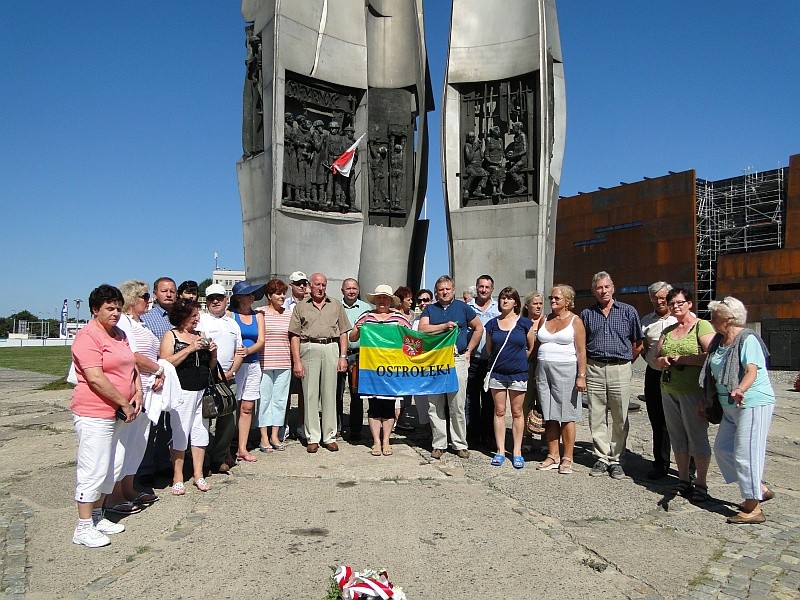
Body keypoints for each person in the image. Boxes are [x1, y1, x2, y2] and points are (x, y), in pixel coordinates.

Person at [70, 284, 141, 547]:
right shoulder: (88, 337)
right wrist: (123, 402)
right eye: (109, 309)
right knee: (94, 466)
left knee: (112, 465)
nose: (115, 313)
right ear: (95, 309)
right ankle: (83, 525)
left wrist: (138, 393)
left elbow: (131, 366)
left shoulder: (119, 334)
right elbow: (95, 378)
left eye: (118, 309)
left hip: (119, 413)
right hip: (95, 412)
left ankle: (99, 515)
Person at [701, 297, 775, 524]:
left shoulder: (747, 338)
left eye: (716, 315)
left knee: (746, 454)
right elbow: (711, 374)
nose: (711, 320)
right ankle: (758, 488)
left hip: (751, 403)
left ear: (730, 318)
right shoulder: (718, 341)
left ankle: (753, 508)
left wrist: (740, 388)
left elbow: (752, 370)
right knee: (723, 450)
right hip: (729, 406)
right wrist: (705, 400)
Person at [104, 280, 165, 514]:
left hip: (149, 388)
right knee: (124, 442)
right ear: (132, 299)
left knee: (139, 442)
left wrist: (159, 374)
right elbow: (133, 356)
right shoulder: (125, 323)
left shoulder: (143, 324)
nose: (148, 301)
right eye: (145, 297)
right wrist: (158, 369)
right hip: (133, 388)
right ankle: (113, 493)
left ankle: (129, 487)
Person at [653, 288, 715, 501]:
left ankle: (701, 483)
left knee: (697, 436)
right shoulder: (668, 330)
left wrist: (683, 360)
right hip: (669, 389)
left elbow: (712, 356)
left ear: (690, 303)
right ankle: (683, 479)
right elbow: (655, 358)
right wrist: (662, 361)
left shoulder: (701, 326)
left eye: (680, 302)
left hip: (693, 391)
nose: (675, 307)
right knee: (677, 436)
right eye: (672, 304)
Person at [581, 271, 643, 479]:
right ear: (593, 291)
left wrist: (625, 362)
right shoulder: (587, 314)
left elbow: (638, 343)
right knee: (596, 414)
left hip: (620, 368)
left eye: (606, 287)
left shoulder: (628, 311)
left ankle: (616, 459)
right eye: (599, 287)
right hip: (595, 367)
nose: (603, 291)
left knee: (619, 415)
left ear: (613, 288)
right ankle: (601, 457)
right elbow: (582, 345)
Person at [418, 275, 483, 459]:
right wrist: (443, 326)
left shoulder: (463, 308)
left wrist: (470, 350)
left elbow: (478, 327)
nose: (444, 292)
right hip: (435, 360)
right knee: (435, 403)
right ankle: (438, 443)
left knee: (457, 403)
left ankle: (459, 443)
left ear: (453, 290)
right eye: (441, 290)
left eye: (448, 289)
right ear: (436, 292)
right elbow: (423, 329)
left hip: (457, 359)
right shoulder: (430, 309)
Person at [288, 272, 351, 453]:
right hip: (309, 348)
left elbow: (343, 333)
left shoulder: (336, 305)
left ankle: (329, 436)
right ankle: (312, 437)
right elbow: (294, 335)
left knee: (330, 393)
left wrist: (343, 357)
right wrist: (297, 362)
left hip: (331, 347)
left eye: (323, 284)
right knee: (309, 394)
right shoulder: (301, 307)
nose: (320, 288)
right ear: (310, 285)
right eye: (317, 284)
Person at [160, 299, 217, 495]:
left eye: (197, 315)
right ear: (182, 317)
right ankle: (177, 476)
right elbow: (165, 363)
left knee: (200, 433)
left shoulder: (201, 335)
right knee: (180, 433)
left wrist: (213, 353)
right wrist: (189, 349)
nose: (197, 319)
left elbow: (210, 367)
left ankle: (198, 475)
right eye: (194, 316)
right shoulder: (171, 336)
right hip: (181, 392)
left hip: (202, 391)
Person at [350, 285, 412, 456]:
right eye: (379, 298)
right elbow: (352, 338)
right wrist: (359, 329)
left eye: (385, 298)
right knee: (373, 406)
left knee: (389, 405)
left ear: (390, 300)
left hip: (391, 369)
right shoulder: (366, 316)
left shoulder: (399, 318)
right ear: (375, 300)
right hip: (370, 369)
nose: (382, 301)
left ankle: (387, 441)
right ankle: (376, 442)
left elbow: (411, 338)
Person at [532, 285, 587, 474]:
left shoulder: (575, 321)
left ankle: (567, 457)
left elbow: (581, 351)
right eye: (551, 298)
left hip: (566, 371)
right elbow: (537, 345)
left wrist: (581, 376)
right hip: (543, 372)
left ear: (568, 301)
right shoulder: (544, 319)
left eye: (557, 298)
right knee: (549, 414)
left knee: (567, 415)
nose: (552, 301)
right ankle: (553, 454)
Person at [484, 287, 536, 469]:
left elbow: (530, 347)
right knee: (499, 411)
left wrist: (518, 360)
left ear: (515, 302)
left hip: (518, 374)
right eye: (502, 298)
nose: (504, 301)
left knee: (517, 412)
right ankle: (500, 451)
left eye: (508, 298)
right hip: (497, 373)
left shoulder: (524, 324)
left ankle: (517, 452)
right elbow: (489, 349)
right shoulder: (491, 324)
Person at [197, 284, 244, 474]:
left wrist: (232, 370)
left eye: (219, 298)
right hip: (207, 378)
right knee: (205, 420)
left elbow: (239, 350)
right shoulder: (201, 321)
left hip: (228, 378)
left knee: (229, 418)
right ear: (207, 301)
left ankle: (219, 457)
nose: (215, 301)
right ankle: (205, 459)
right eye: (211, 298)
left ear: (226, 300)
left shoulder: (233, 324)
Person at [138, 276, 177, 483]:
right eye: (164, 291)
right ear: (155, 294)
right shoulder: (148, 318)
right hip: (152, 378)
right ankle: (144, 468)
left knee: (169, 424)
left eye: (172, 290)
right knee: (150, 423)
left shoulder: (181, 316)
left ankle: (164, 463)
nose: (169, 294)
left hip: (176, 379)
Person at [640, 282, 677, 479]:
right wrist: (649, 360)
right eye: (655, 297)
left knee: (682, 421)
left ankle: (688, 469)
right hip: (654, 374)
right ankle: (660, 463)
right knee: (658, 421)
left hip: (678, 375)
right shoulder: (646, 320)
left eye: (662, 297)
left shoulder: (682, 318)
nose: (659, 301)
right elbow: (642, 346)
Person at [229, 281, 266, 462]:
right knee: (231, 407)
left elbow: (260, 340)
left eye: (252, 294)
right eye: (248, 294)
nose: (252, 297)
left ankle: (242, 448)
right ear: (238, 298)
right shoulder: (230, 315)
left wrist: (248, 351)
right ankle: (229, 444)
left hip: (252, 364)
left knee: (247, 406)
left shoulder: (258, 316)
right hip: (235, 366)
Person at [257, 279, 292, 451]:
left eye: (283, 293)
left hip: (284, 362)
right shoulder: (260, 313)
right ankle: (263, 437)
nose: (282, 296)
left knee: (279, 400)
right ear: (269, 295)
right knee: (264, 400)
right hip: (264, 363)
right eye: (278, 293)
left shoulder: (289, 314)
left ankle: (275, 435)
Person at [466, 275, 501, 448]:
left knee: (489, 401)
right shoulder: (467, 308)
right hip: (472, 360)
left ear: (492, 290)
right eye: (481, 286)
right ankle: (472, 436)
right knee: (471, 400)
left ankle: (488, 435)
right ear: (477, 288)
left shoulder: (498, 308)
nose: (484, 290)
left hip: (491, 362)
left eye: (487, 287)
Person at [338, 278, 372, 439]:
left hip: (360, 354)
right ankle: (336, 427)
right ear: (342, 290)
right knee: (336, 393)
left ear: (358, 290)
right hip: (339, 353)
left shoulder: (367, 309)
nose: (351, 291)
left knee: (356, 394)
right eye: (348, 288)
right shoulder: (336, 306)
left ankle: (356, 429)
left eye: (354, 288)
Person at [284, 271, 310, 440]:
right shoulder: (284, 304)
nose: (301, 286)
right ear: (290, 285)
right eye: (298, 283)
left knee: (304, 392)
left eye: (304, 283)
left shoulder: (311, 303)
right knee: (284, 392)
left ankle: (302, 425)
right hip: (287, 352)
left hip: (306, 352)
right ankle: (283, 425)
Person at [522, 292, 546, 453]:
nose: (538, 306)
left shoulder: (547, 322)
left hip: (544, 367)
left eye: (540, 304)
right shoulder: (522, 322)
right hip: (526, 366)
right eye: (535, 303)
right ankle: (527, 439)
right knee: (526, 403)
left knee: (544, 404)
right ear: (527, 306)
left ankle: (545, 440)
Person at [392, 286, 416, 432]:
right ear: (400, 301)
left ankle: (401, 418)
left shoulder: (414, 315)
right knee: (396, 391)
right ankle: (395, 420)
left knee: (407, 391)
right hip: (396, 357)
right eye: (408, 299)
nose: (411, 302)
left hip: (411, 357)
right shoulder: (393, 315)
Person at [412, 289, 434, 432]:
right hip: (419, 366)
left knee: (435, 401)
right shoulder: (415, 322)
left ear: (431, 301)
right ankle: (427, 432)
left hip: (435, 365)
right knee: (421, 401)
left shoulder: (438, 316)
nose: (422, 303)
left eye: (426, 300)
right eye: (420, 300)